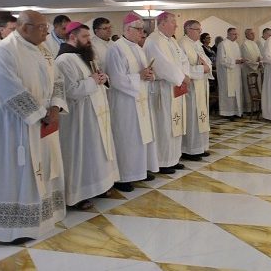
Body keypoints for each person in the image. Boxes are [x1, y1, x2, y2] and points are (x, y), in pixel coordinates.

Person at [0, 10, 68, 243]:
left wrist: (55, 107)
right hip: (11, 124)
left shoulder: (43, 48)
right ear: (24, 27)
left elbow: (57, 79)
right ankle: (11, 229)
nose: (47, 31)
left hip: (43, 121)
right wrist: (40, 114)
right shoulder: (3, 50)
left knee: (41, 168)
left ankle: (41, 219)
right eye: (42, 27)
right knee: (15, 171)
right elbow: (5, 86)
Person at [55, 22, 118, 210]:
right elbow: (70, 91)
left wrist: (102, 78)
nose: (89, 41)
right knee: (79, 154)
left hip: (95, 112)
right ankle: (78, 195)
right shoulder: (64, 60)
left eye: (89, 37)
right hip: (78, 117)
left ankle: (98, 186)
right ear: (72, 37)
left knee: (95, 152)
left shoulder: (83, 56)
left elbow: (95, 78)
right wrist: (93, 81)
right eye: (85, 37)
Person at [104, 13, 157, 192]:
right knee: (127, 138)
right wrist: (139, 76)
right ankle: (124, 176)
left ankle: (139, 170)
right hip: (125, 103)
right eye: (139, 29)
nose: (142, 33)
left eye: (143, 29)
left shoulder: (137, 48)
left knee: (142, 137)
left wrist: (150, 75)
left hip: (140, 100)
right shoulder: (116, 49)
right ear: (127, 30)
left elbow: (144, 71)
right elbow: (116, 80)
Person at [144, 12, 191, 174]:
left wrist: (184, 75)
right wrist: (181, 77)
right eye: (173, 22)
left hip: (175, 88)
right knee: (164, 125)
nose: (176, 25)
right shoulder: (153, 41)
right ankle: (163, 161)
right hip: (162, 90)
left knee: (175, 125)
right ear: (162, 23)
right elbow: (163, 66)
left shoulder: (172, 41)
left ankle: (173, 158)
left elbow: (183, 60)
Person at [179, 20, 213, 160]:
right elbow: (183, 69)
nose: (200, 32)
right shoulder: (182, 44)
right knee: (192, 117)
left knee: (201, 117)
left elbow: (208, 62)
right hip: (191, 88)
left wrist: (205, 67)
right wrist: (202, 68)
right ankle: (190, 149)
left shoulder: (196, 44)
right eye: (197, 29)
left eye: (200, 29)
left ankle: (200, 146)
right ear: (188, 29)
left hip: (201, 85)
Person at [217, 27, 244, 119]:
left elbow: (238, 57)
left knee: (236, 91)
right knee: (228, 92)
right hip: (226, 74)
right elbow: (221, 60)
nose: (236, 36)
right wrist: (235, 62)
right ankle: (227, 113)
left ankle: (236, 111)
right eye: (234, 34)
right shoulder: (222, 44)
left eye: (236, 34)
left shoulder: (236, 44)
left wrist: (241, 60)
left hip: (236, 72)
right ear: (228, 34)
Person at [240, 28, 261, 113]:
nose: (253, 35)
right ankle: (249, 109)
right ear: (246, 35)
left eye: (254, 33)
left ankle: (257, 107)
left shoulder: (254, 44)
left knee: (257, 88)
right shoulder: (244, 45)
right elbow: (247, 59)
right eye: (251, 33)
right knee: (249, 90)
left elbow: (259, 55)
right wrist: (256, 64)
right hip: (248, 70)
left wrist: (260, 60)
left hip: (256, 70)